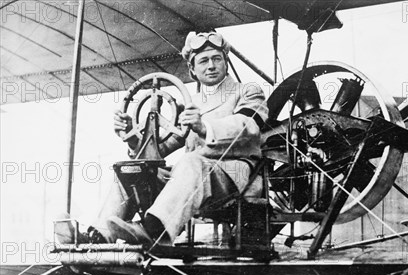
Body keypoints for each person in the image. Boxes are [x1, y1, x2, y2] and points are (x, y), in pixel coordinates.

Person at [58, 31, 267, 246]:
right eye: (203, 61)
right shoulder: (192, 102)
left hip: (233, 174)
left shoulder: (247, 91)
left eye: (217, 59)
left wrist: (204, 127)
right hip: (193, 177)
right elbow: (163, 148)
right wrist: (132, 136)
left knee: (190, 161)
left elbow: (249, 125)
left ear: (226, 62)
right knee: (132, 170)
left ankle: (153, 230)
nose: (211, 66)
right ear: (193, 70)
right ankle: (98, 237)